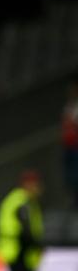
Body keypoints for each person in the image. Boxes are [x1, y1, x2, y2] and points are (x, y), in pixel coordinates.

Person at [60, 78, 78, 208]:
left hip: (76, 146)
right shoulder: (68, 107)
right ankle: (72, 200)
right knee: (69, 176)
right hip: (68, 146)